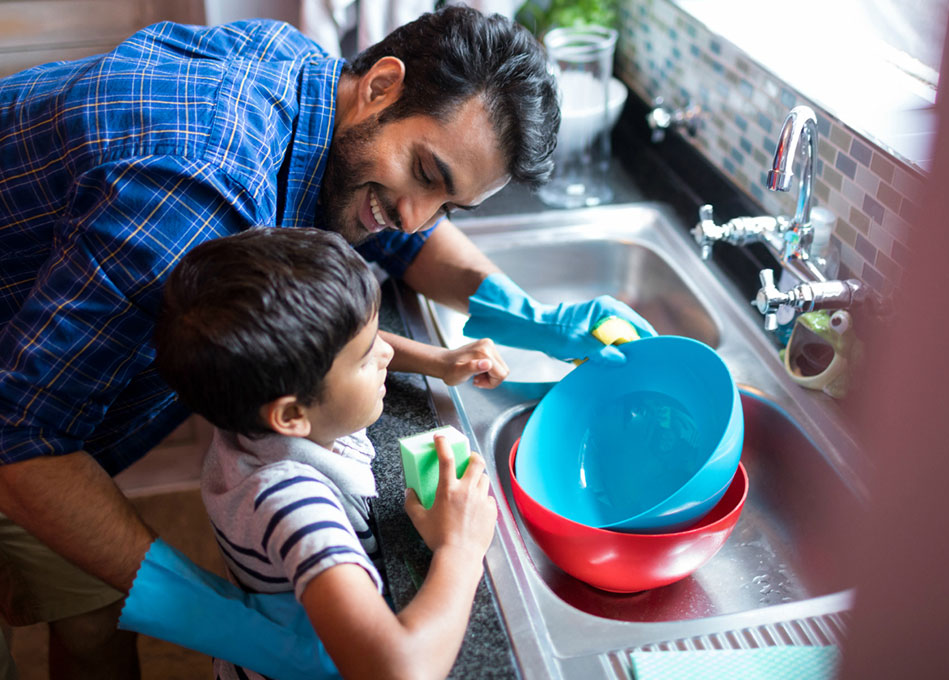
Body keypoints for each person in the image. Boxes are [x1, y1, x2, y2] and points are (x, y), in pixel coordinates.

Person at [0, 5, 653, 675]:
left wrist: (524, 313)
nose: (415, 217)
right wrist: (222, 621)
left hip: (40, 374)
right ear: (381, 86)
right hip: (24, 413)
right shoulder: (201, 195)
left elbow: (400, 226)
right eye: (427, 173)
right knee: (81, 613)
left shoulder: (317, 84)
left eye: (449, 203)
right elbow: (21, 436)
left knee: (91, 614)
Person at [152, 226, 498, 680]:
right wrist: (459, 549)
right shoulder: (292, 501)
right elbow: (398, 670)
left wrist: (437, 360)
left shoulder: (248, 406)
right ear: (292, 415)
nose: (386, 357)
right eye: (366, 357)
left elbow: (344, 348)